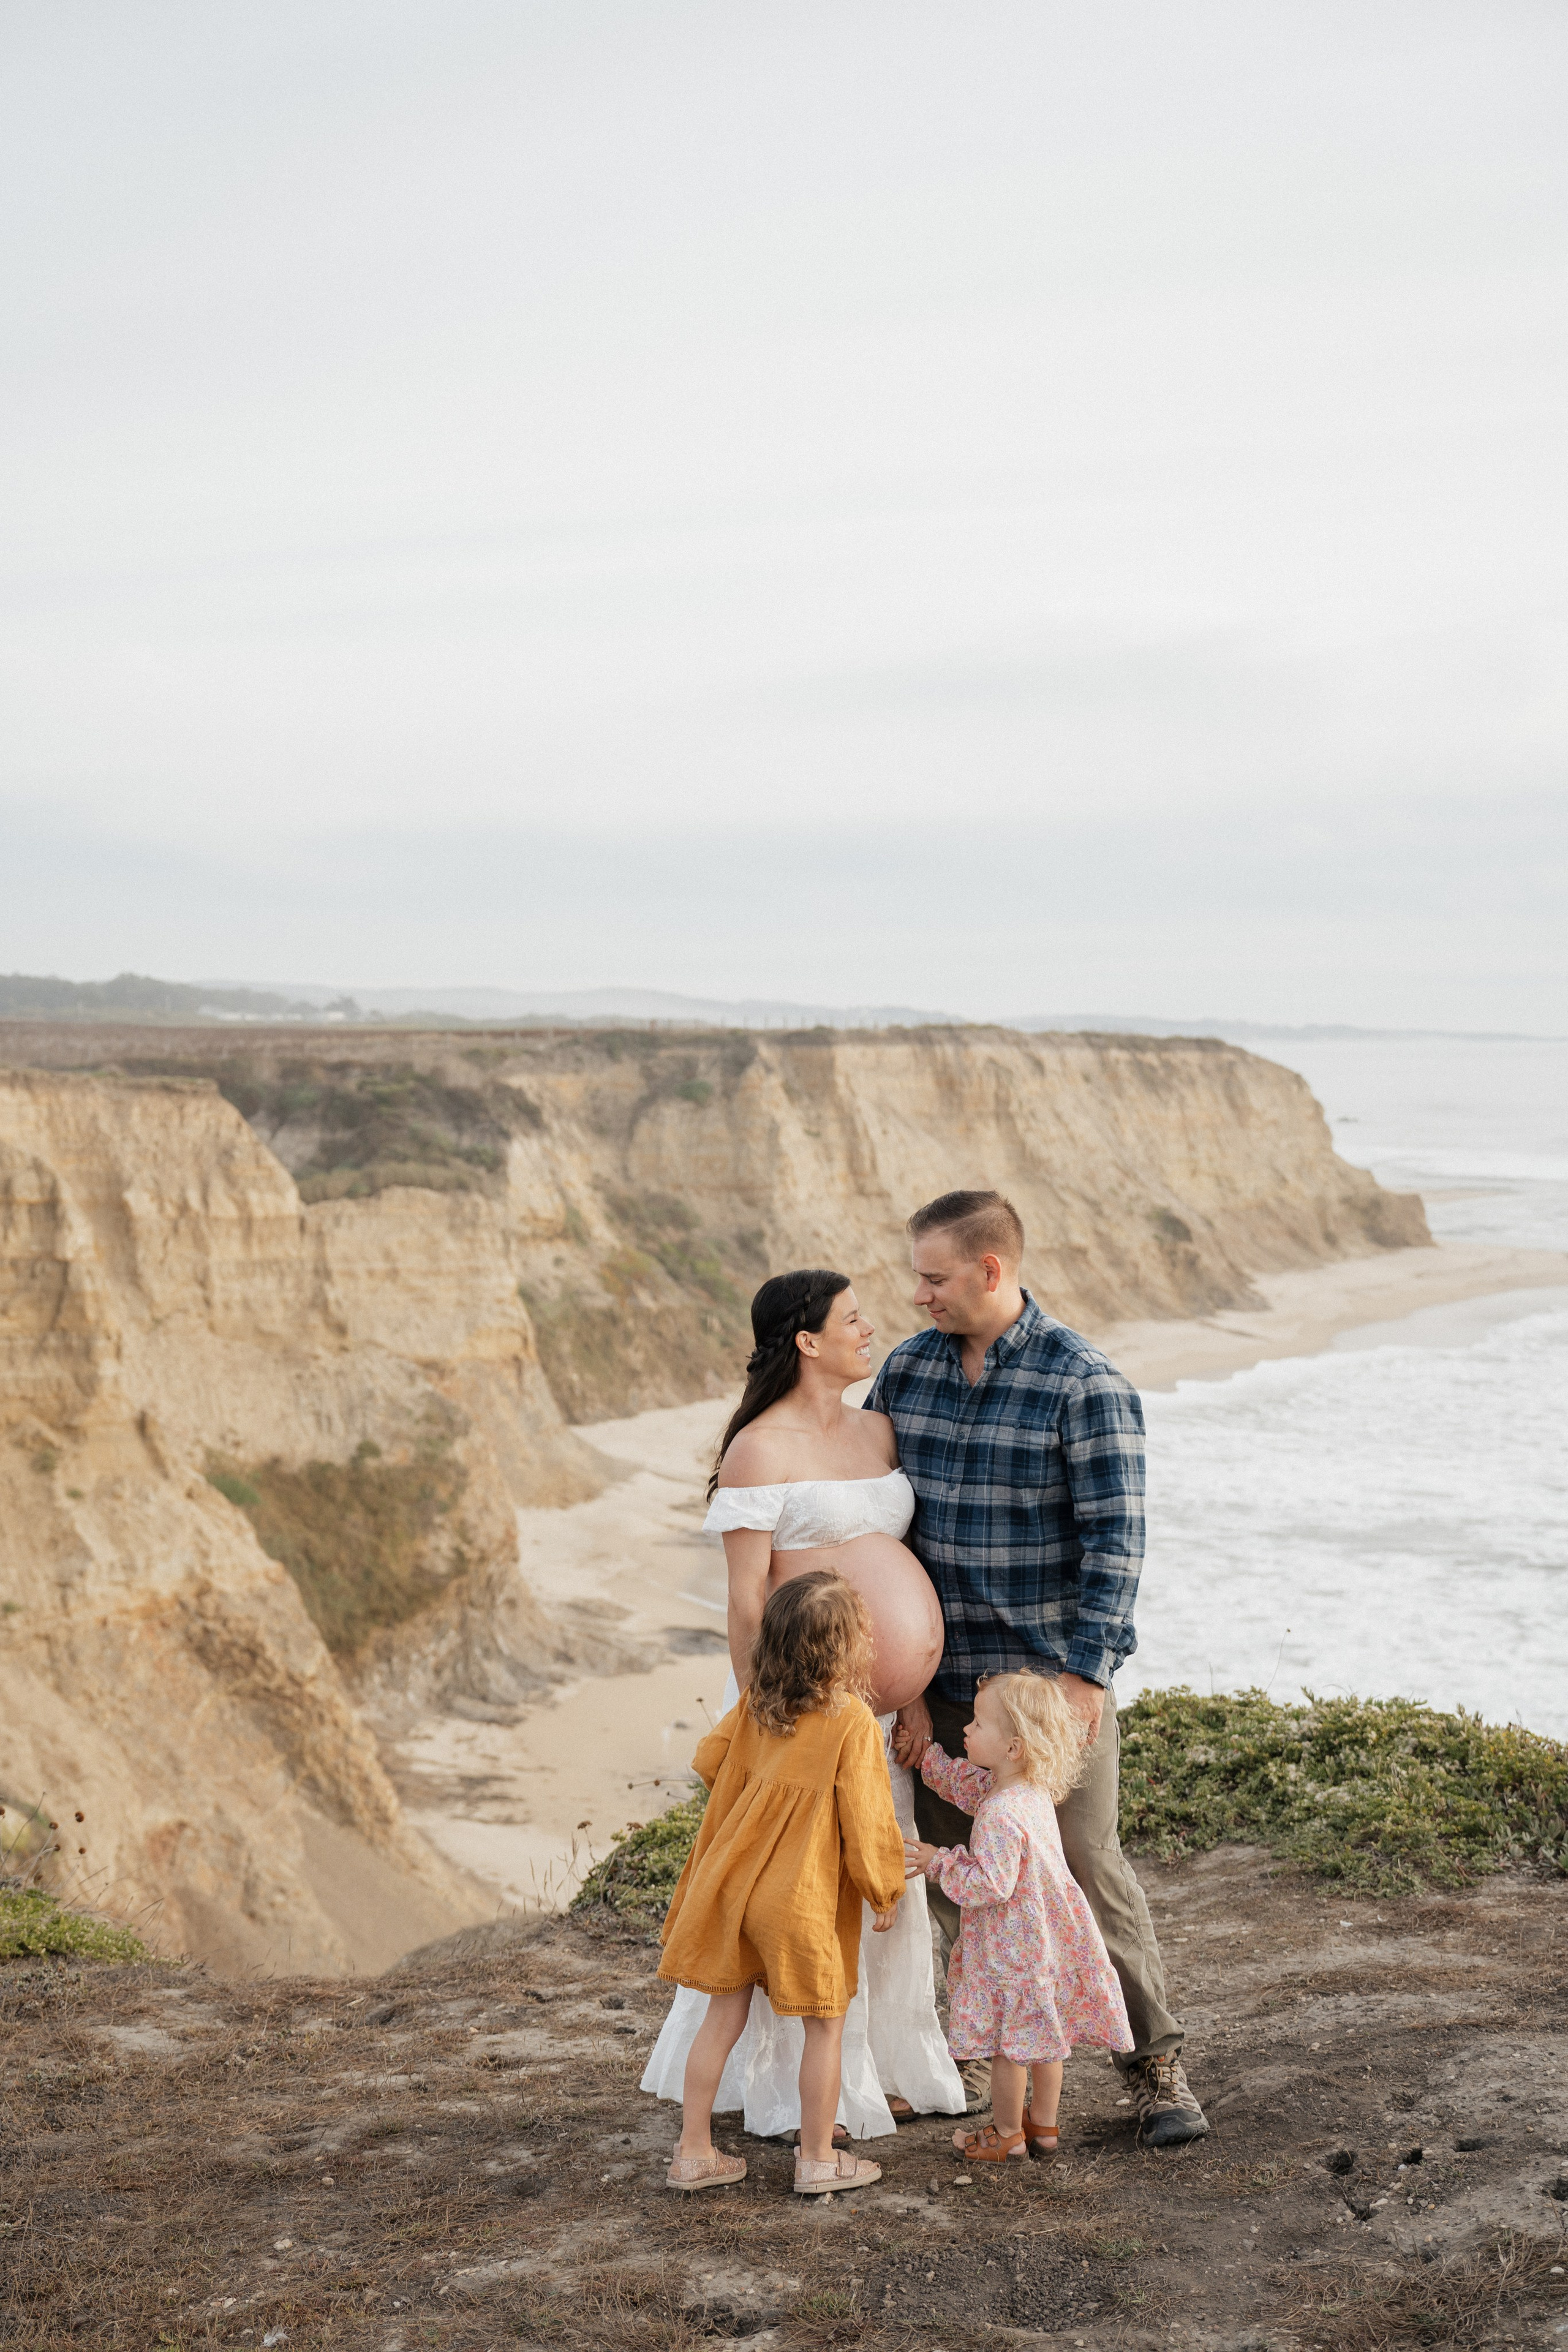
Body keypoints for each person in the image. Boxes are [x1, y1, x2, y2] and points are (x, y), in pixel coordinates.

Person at [869, 1189, 1210, 2147]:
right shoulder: (905, 1371)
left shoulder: (1084, 1383)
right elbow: (870, 1505)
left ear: (992, 1270)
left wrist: (1087, 1680)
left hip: (1045, 1693)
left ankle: (1154, 2069)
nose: (919, 1295)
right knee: (952, 1882)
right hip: (940, 1690)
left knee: (1084, 1869)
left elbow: (1118, 1542)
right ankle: (962, 2059)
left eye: (934, 1278)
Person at [640, 1267, 966, 2137]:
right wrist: (765, 1717)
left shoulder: (879, 1431)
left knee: (879, 1872)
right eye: (853, 1322)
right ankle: (794, 2091)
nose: (871, 1332)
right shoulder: (759, 1449)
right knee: (804, 1892)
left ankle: (883, 2067)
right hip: (795, 1708)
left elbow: (904, 1568)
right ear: (807, 1342)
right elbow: (747, 1601)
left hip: (880, 1715)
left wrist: (917, 1694)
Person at [660, 1572, 905, 2195]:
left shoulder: (754, 1704)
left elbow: (711, 1764)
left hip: (735, 1883)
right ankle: (818, 2157)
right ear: (847, 1648)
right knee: (824, 2025)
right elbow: (867, 1818)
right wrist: (882, 1888)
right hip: (800, 1899)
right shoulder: (850, 1720)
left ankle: (693, 2152)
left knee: (722, 2017)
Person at [905, 1670, 1133, 2162]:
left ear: (1012, 1748)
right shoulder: (1028, 1791)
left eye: (978, 1724)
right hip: (1045, 1946)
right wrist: (929, 1760)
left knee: (1010, 2049)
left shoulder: (999, 1816)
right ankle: (1044, 2127)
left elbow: (990, 1883)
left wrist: (937, 1862)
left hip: (1013, 1951)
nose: (965, 1729)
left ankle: (1006, 2133)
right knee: (1047, 2042)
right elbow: (970, 1786)